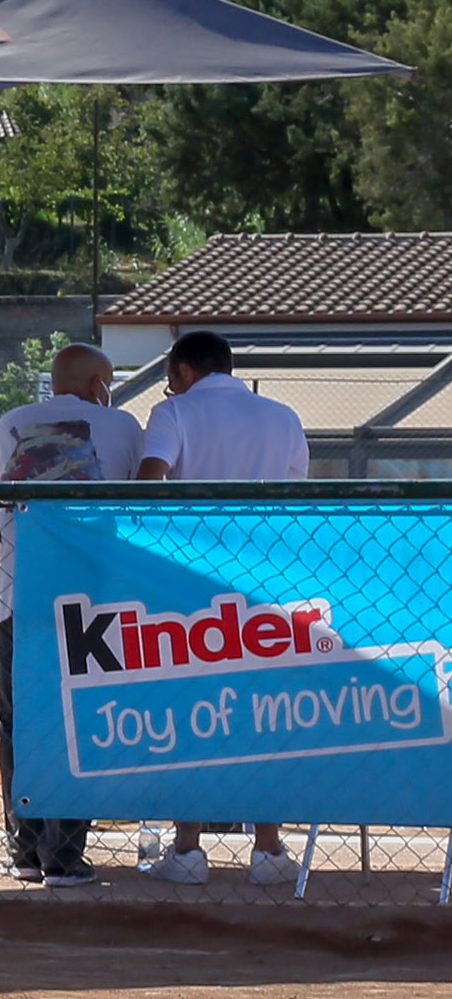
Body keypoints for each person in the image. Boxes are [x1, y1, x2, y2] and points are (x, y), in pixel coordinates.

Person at [135, 328, 311, 887]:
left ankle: (187, 849)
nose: (168, 387)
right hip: (268, 583)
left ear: (184, 371)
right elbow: (296, 498)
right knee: (264, 712)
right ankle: (268, 849)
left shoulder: (176, 413)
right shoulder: (283, 416)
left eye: (169, 378)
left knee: (190, 712)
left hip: (191, 583)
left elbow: (148, 482)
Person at [0, 342, 143, 888]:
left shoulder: (11, 422)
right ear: (99, 382)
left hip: (17, 592)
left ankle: (23, 849)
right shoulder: (121, 426)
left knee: (18, 719)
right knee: (81, 717)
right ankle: (65, 856)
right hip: (87, 599)